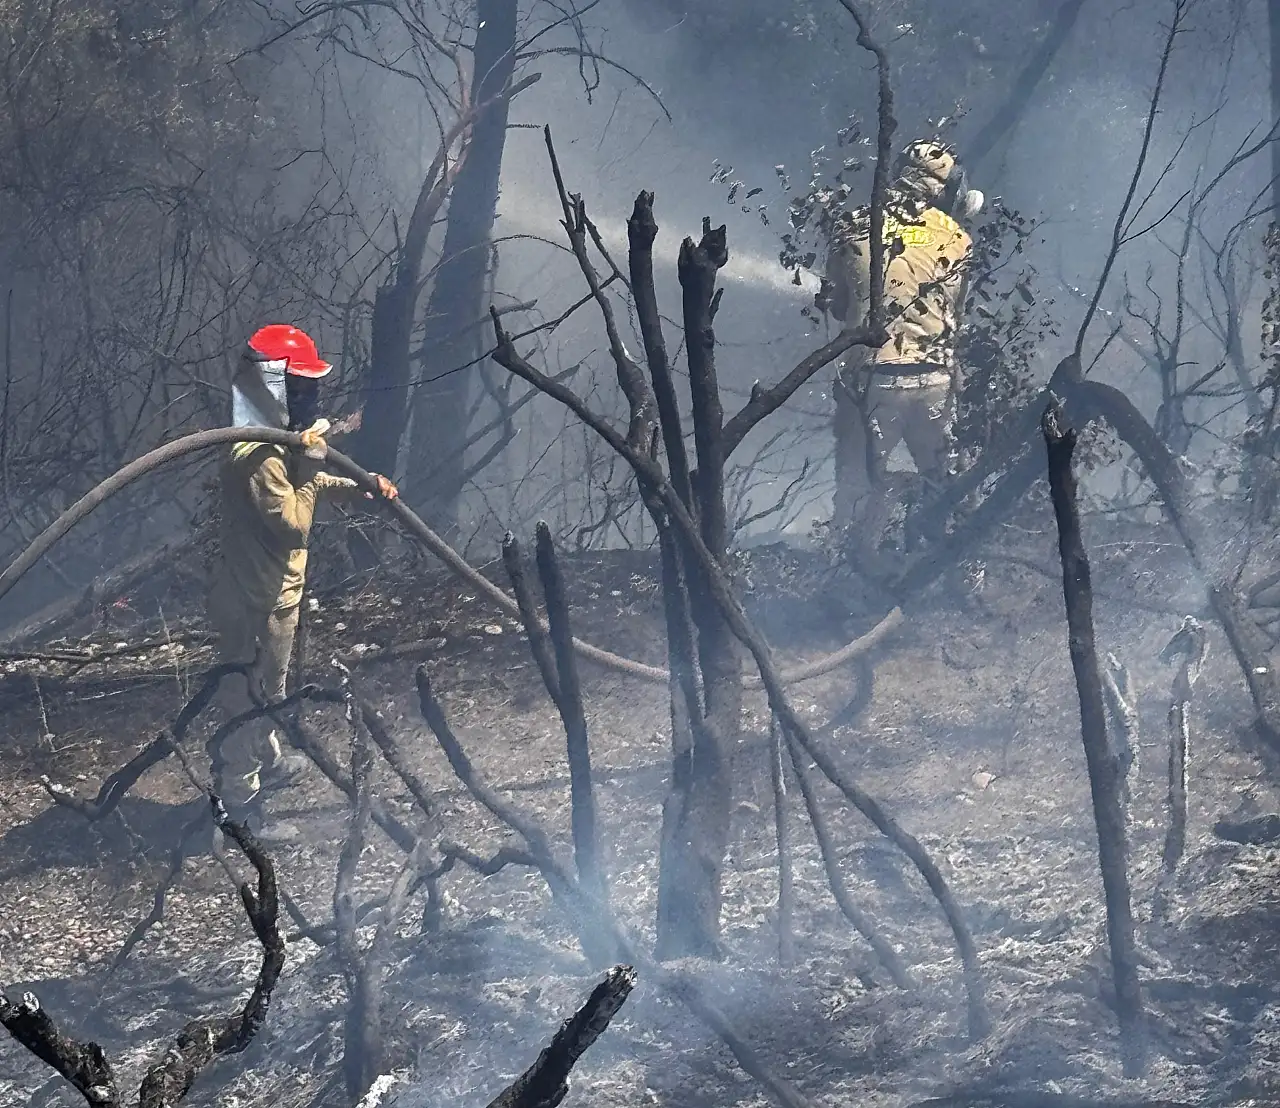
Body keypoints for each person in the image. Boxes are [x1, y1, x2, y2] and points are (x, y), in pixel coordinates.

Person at [208, 324, 398, 838]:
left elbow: (307, 481)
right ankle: (241, 809)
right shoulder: (258, 457)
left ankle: (265, 765)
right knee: (253, 701)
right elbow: (293, 522)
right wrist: (314, 468)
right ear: (272, 388)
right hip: (257, 605)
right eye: (300, 387)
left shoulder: (275, 443)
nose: (312, 397)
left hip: (266, 597)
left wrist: (363, 487)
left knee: (267, 690)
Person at [817, 139, 985, 569]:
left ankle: (844, 575)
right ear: (946, 189)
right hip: (935, 381)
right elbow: (958, 317)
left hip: (870, 381)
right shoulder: (958, 239)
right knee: (944, 480)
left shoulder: (853, 226)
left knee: (855, 487)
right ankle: (958, 572)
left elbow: (836, 306)